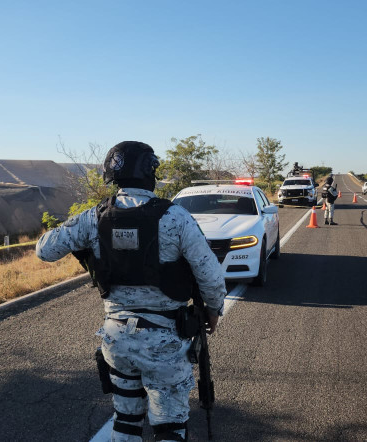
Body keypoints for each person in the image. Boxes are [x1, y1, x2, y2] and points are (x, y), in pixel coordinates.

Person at [36, 141, 227, 441]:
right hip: (165, 343)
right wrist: (214, 311)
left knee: (125, 420)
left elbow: (44, 250)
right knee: (169, 428)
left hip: (117, 338)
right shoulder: (175, 218)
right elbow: (210, 275)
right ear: (150, 172)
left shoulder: (93, 217)